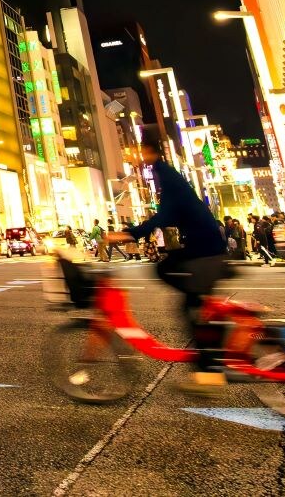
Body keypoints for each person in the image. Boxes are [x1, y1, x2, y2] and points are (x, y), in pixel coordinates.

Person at [105, 138, 229, 394]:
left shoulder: (166, 175)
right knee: (191, 302)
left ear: (149, 152)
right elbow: (168, 214)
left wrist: (131, 233)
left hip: (205, 248)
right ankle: (209, 356)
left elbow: (166, 215)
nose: (136, 156)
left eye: (139, 151)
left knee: (174, 283)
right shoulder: (165, 173)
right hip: (206, 245)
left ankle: (210, 373)